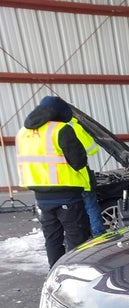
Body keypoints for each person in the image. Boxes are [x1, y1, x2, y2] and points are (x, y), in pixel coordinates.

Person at [16, 96, 91, 267]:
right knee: (76, 237)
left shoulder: (22, 133)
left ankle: (55, 273)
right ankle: (75, 274)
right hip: (67, 194)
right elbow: (79, 161)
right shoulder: (61, 129)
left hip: (41, 196)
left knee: (52, 239)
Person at [70, 115, 106, 236]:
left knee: (72, 211)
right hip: (81, 177)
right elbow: (92, 149)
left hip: (61, 182)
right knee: (91, 206)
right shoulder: (74, 127)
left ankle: (78, 236)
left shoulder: (44, 131)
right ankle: (98, 235)